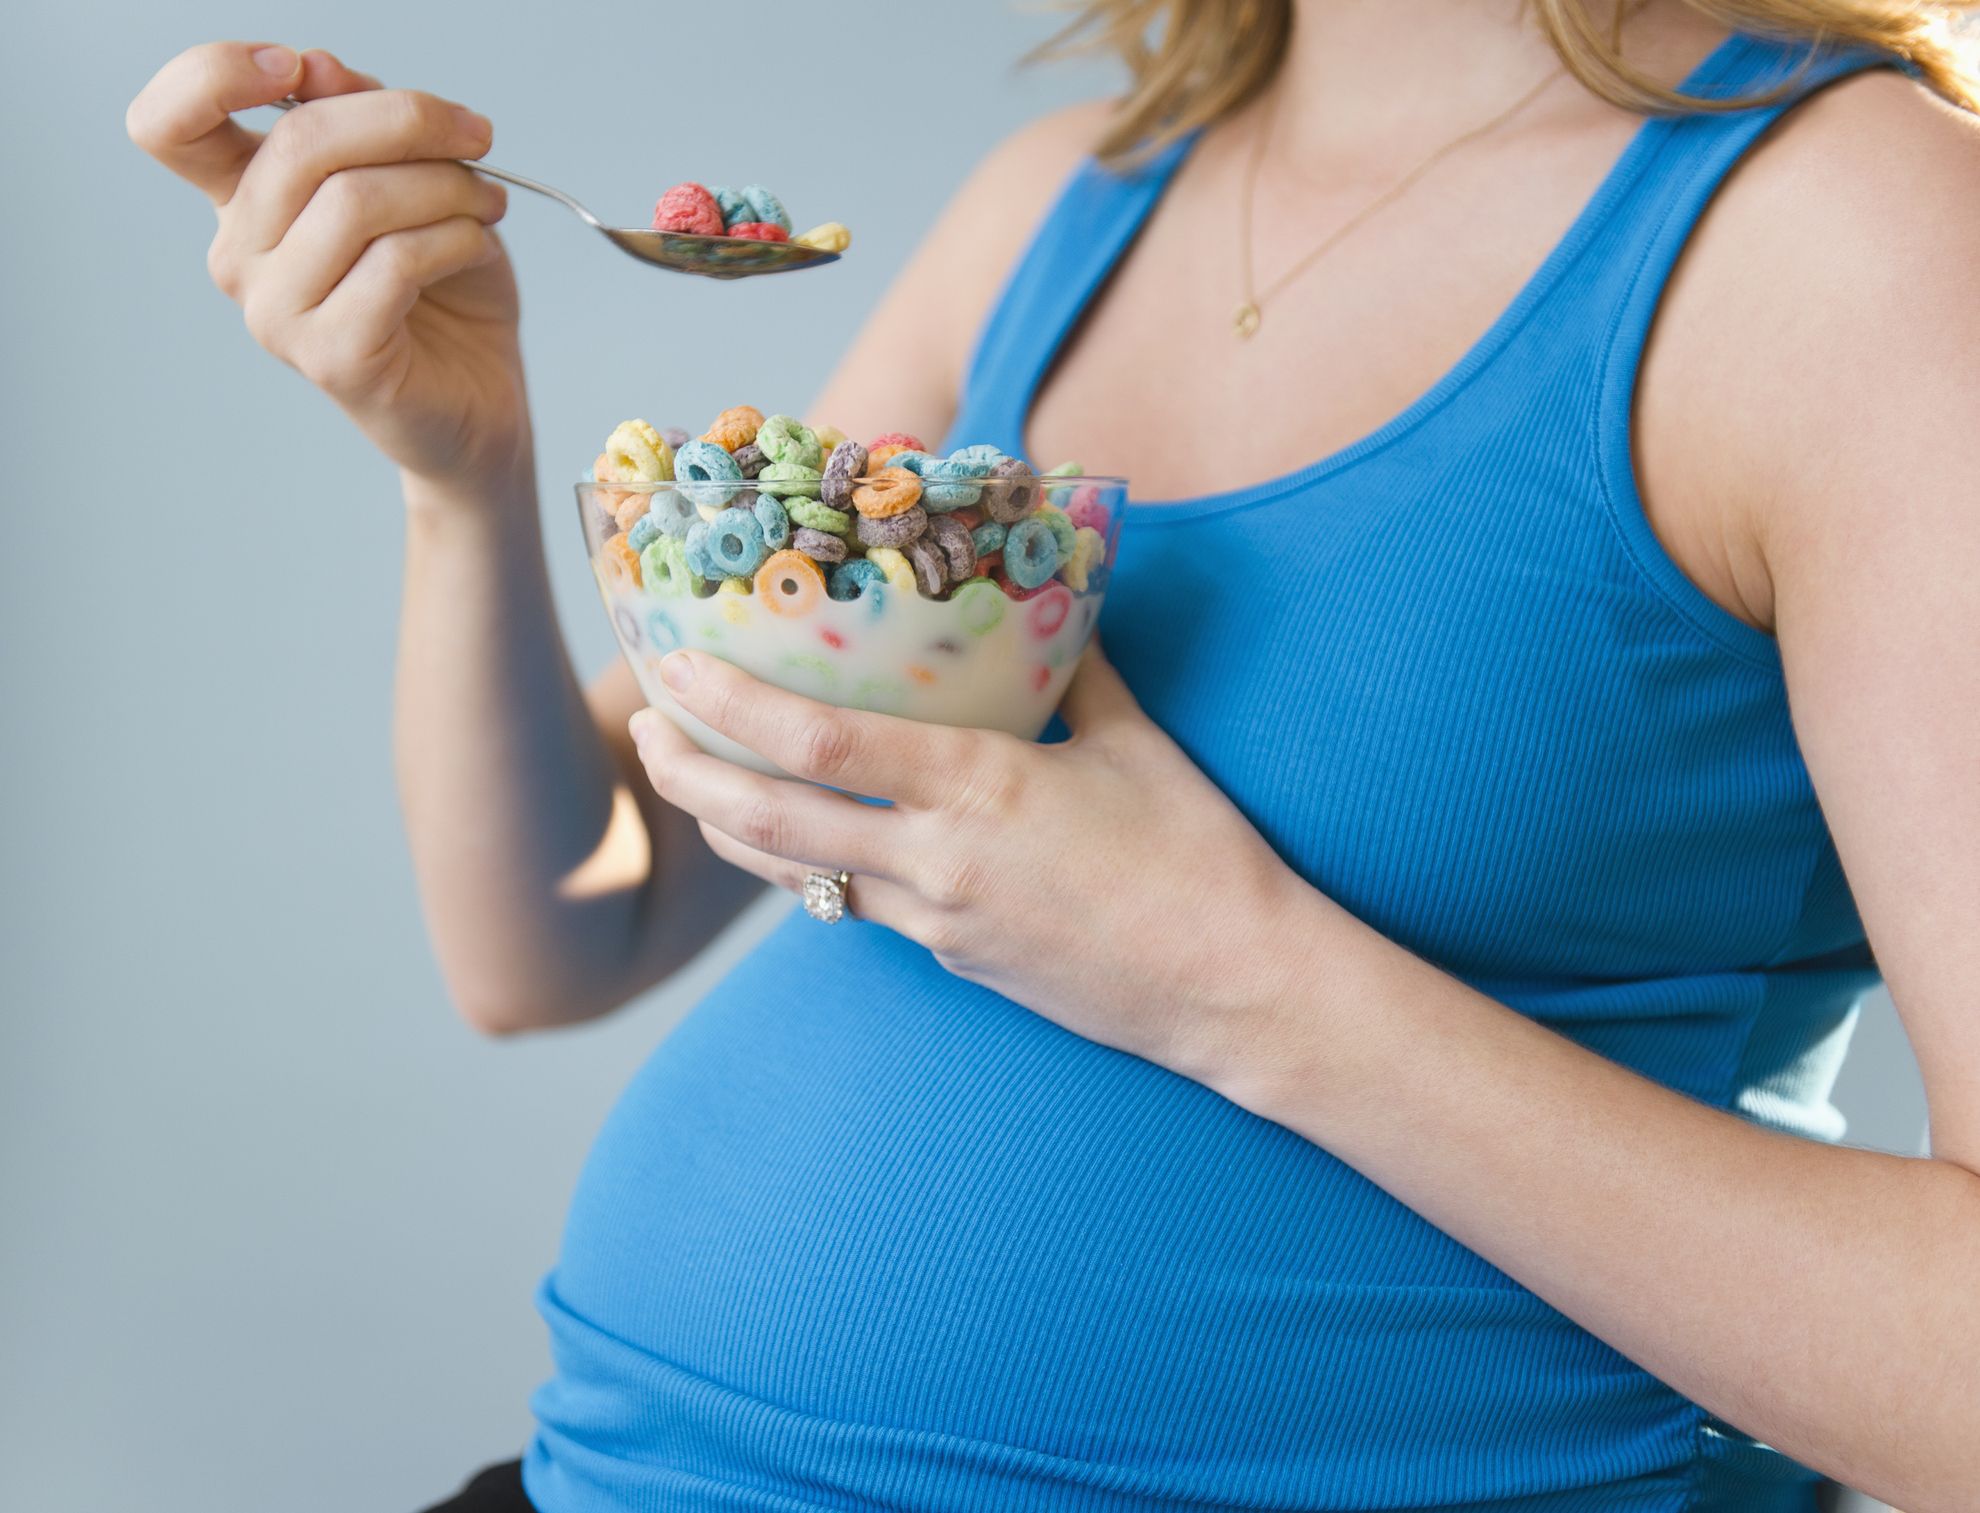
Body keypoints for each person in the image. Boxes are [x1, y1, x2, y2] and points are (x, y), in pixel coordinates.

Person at [126, 1, 1980, 1508]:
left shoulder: (1865, 239)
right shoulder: (1064, 202)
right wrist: (457, 470)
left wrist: (1235, 977)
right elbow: (559, 934)